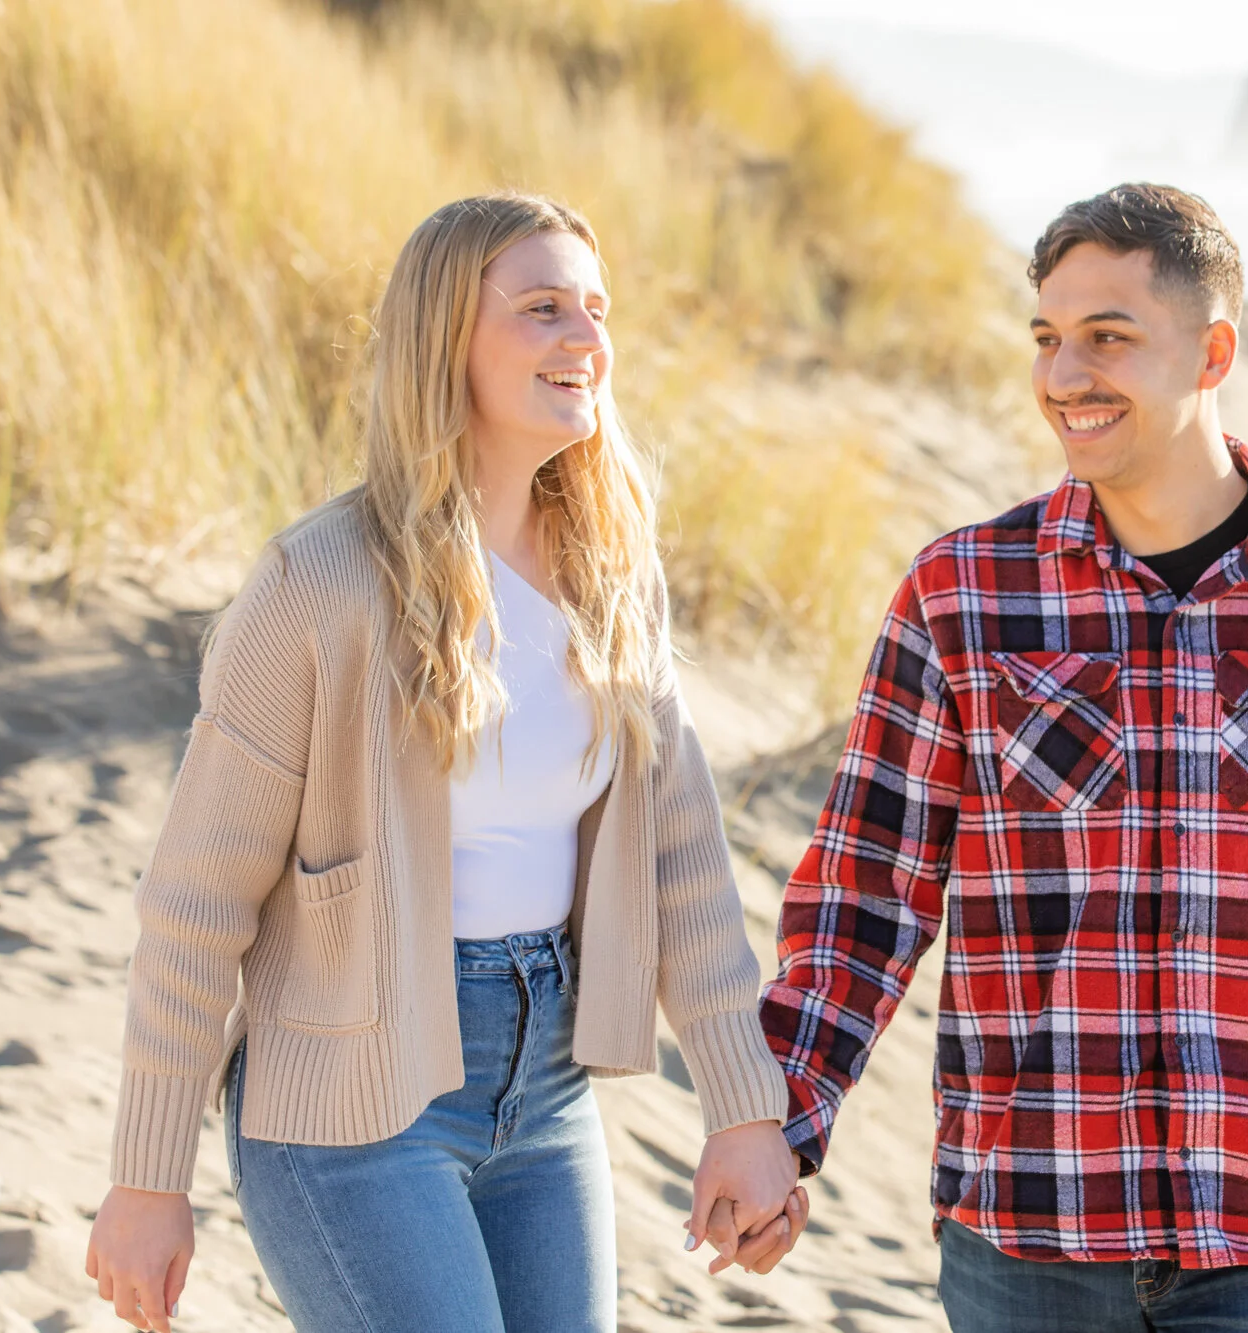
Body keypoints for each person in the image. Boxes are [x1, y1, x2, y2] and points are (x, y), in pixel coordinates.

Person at [760, 182, 1248, 1333]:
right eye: (1047, 340)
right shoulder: (964, 592)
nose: (1065, 376)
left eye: (1108, 338)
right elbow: (869, 888)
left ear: (1211, 351)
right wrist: (783, 1124)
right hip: (1025, 1236)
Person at [85, 192, 805, 1333]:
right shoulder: (316, 586)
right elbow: (194, 902)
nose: (585, 339)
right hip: (347, 1108)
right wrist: (146, 1177)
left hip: (549, 1089)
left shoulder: (614, 579)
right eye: (540, 309)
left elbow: (685, 868)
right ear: (442, 340)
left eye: (595, 309)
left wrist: (742, 1110)